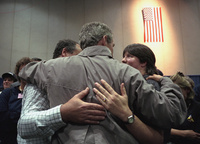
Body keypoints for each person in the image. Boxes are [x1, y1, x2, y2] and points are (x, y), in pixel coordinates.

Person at [18, 22, 187, 144]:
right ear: (105, 40)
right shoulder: (127, 73)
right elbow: (171, 114)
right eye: (113, 45)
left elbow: (24, 71)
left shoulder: (48, 68)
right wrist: (166, 82)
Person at [17, 39, 106, 143]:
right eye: (79, 56)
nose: (82, 62)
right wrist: (63, 113)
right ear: (64, 53)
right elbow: (24, 126)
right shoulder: (41, 76)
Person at [0, 57, 31, 144]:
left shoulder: (37, 93)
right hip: (9, 138)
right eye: (22, 70)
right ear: (17, 74)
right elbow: (2, 116)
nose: (25, 73)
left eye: (28, 70)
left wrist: (13, 114)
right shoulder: (7, 93)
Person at [167, 72, 200, 144]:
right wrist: (183, 134)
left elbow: (196, 136)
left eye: (176, 89)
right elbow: (159, 130)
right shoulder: (167, 106)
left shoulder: (196, 108)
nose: (172, 92)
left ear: (187, 90)